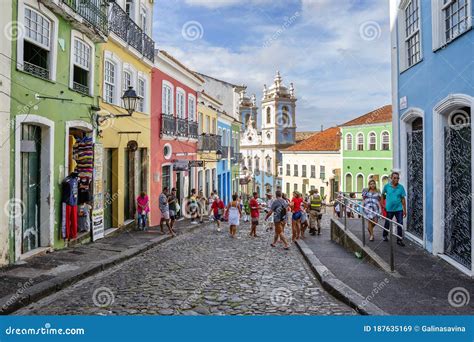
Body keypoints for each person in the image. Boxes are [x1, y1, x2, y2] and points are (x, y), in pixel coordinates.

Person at [382, 171, 407, 246]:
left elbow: (403, 199)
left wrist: (404, 210)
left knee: (400, 223)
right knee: (387, 223)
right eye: (395, 178)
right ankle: (385, 235)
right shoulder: (387, 186)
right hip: (389, 209)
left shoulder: (401, 187)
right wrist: (383, 205)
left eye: (397, 178)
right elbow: (382, 195)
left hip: (399, 209)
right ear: (391, 178)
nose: (396, 179)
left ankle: (399, 240)